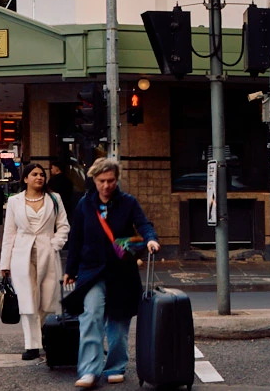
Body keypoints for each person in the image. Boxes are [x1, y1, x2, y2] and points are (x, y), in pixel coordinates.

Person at [60, 157, 159, 389]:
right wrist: (70, 270)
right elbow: (76, 239)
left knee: (119, 321)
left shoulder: (128, 202)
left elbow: (143, 224)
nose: (106, 185)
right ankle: (89, 370)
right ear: (94, 180)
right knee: (91, 316)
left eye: (111, 180)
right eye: (102, 181)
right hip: (91, 270)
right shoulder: (84, 204)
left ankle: (115, 366)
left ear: (117, 179)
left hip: (121, 271)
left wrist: (151, 239)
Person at [0, 162, 70, 360]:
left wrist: (55, 243)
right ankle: (32, 345)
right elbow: (9, 233)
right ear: (25, 178)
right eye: (35, 174)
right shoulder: (14, 201)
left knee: (47, 300)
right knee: (27, 301)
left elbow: (63, 225)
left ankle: (44, 337)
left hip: (48, 252)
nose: (39, 177)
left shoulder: (54, 199)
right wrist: (5, 263)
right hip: (22, 255)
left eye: (42, 175)